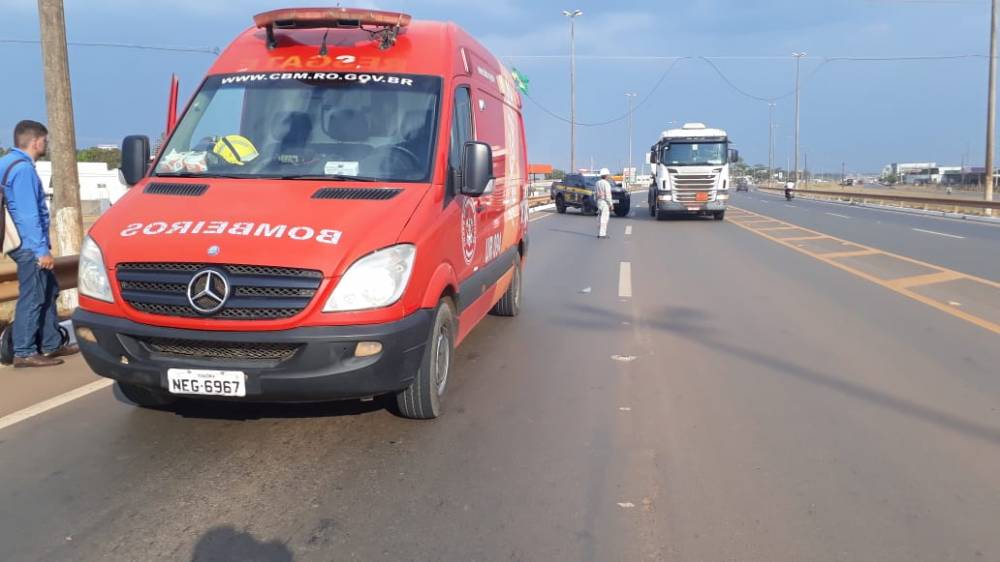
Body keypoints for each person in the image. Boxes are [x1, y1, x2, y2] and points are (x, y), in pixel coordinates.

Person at [0, 120, 79, 367]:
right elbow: (28, 214)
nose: (46, 144)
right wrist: (41, 250)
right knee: (33, 296)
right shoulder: (23, 169)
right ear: (35, 141)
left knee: (48, 289)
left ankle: (51, 343)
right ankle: (24, 351)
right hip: (28, 245)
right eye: (45, 140)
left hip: (18, 242)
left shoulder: (6, 163)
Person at [595, 168, 614, 239]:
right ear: (606, 175)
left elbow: (595, 193)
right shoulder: (606, 184)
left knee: (600, 218)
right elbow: (608, 195)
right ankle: (602, 234)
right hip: (604, 202)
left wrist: (596, 201)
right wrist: (611, 204)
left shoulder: (597, 183)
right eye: (608, 175)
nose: (609, 176)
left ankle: (600, 233)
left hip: (599, 201)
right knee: (604, 218)